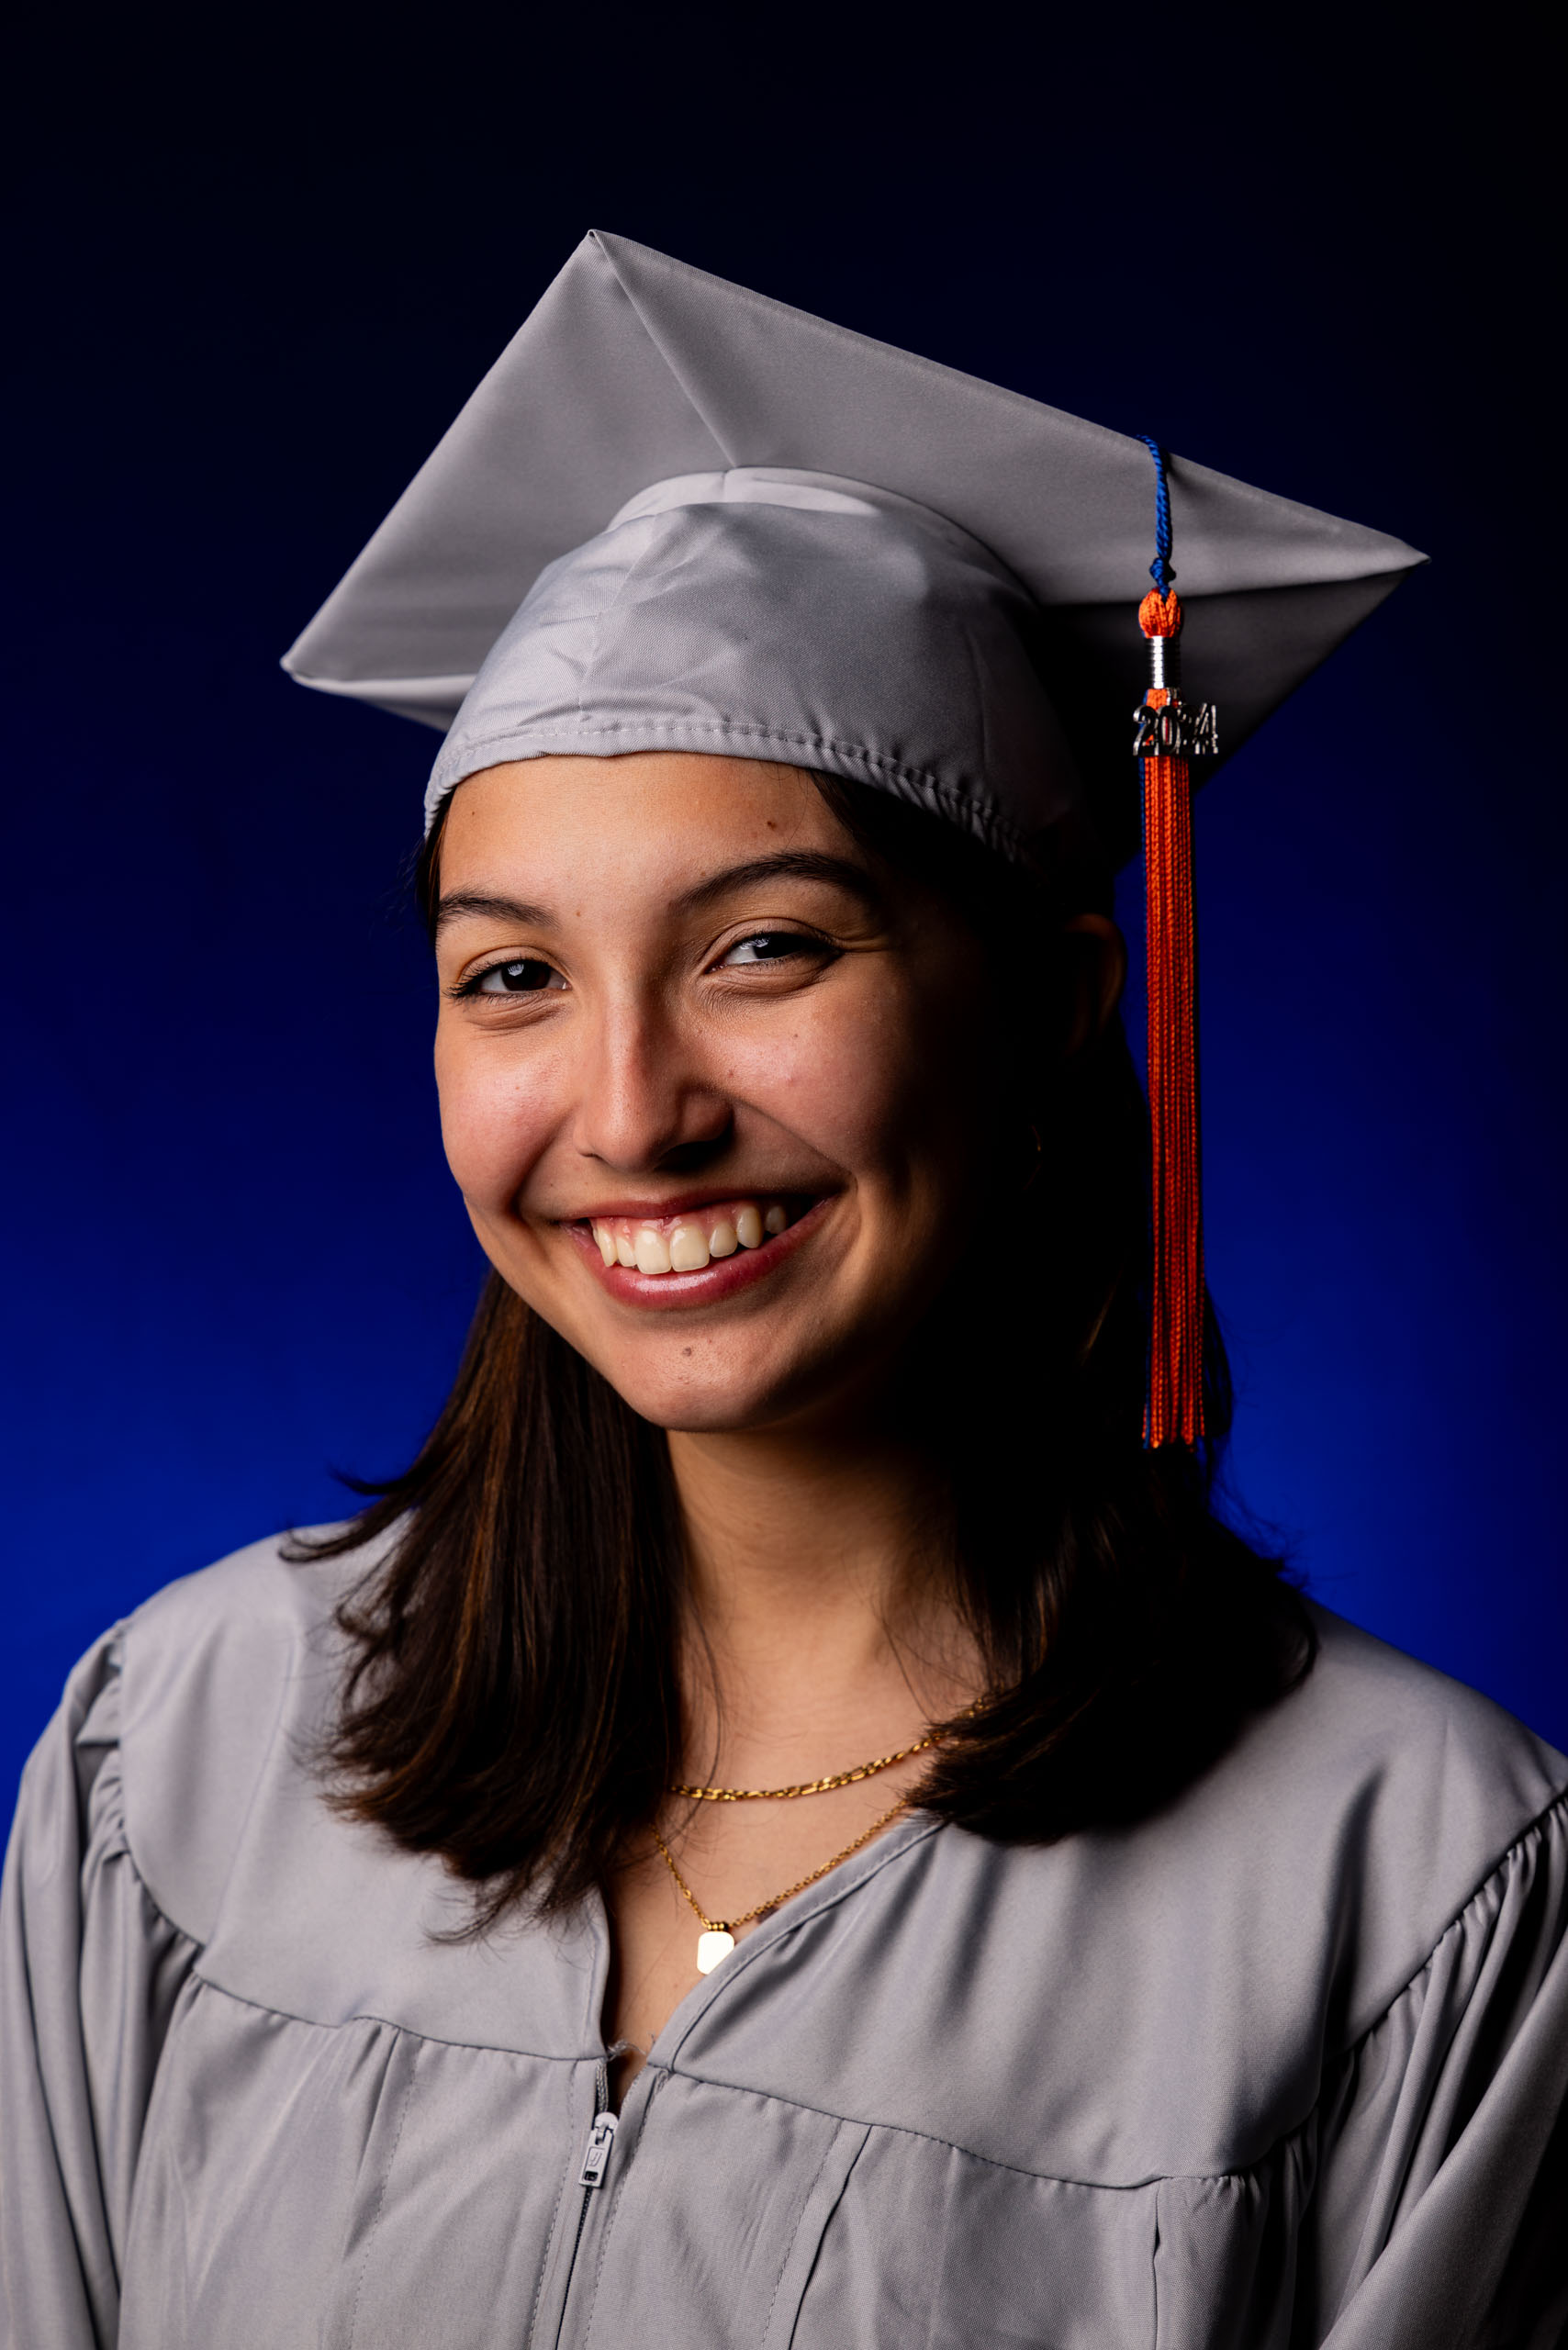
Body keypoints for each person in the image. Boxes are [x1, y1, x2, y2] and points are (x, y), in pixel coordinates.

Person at [3, 232, 1563, 2350]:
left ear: (1047, 1014)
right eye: (511, 976)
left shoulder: (1413, 1888)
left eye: (766, 947)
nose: (630, 1112)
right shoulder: (172, 1755)